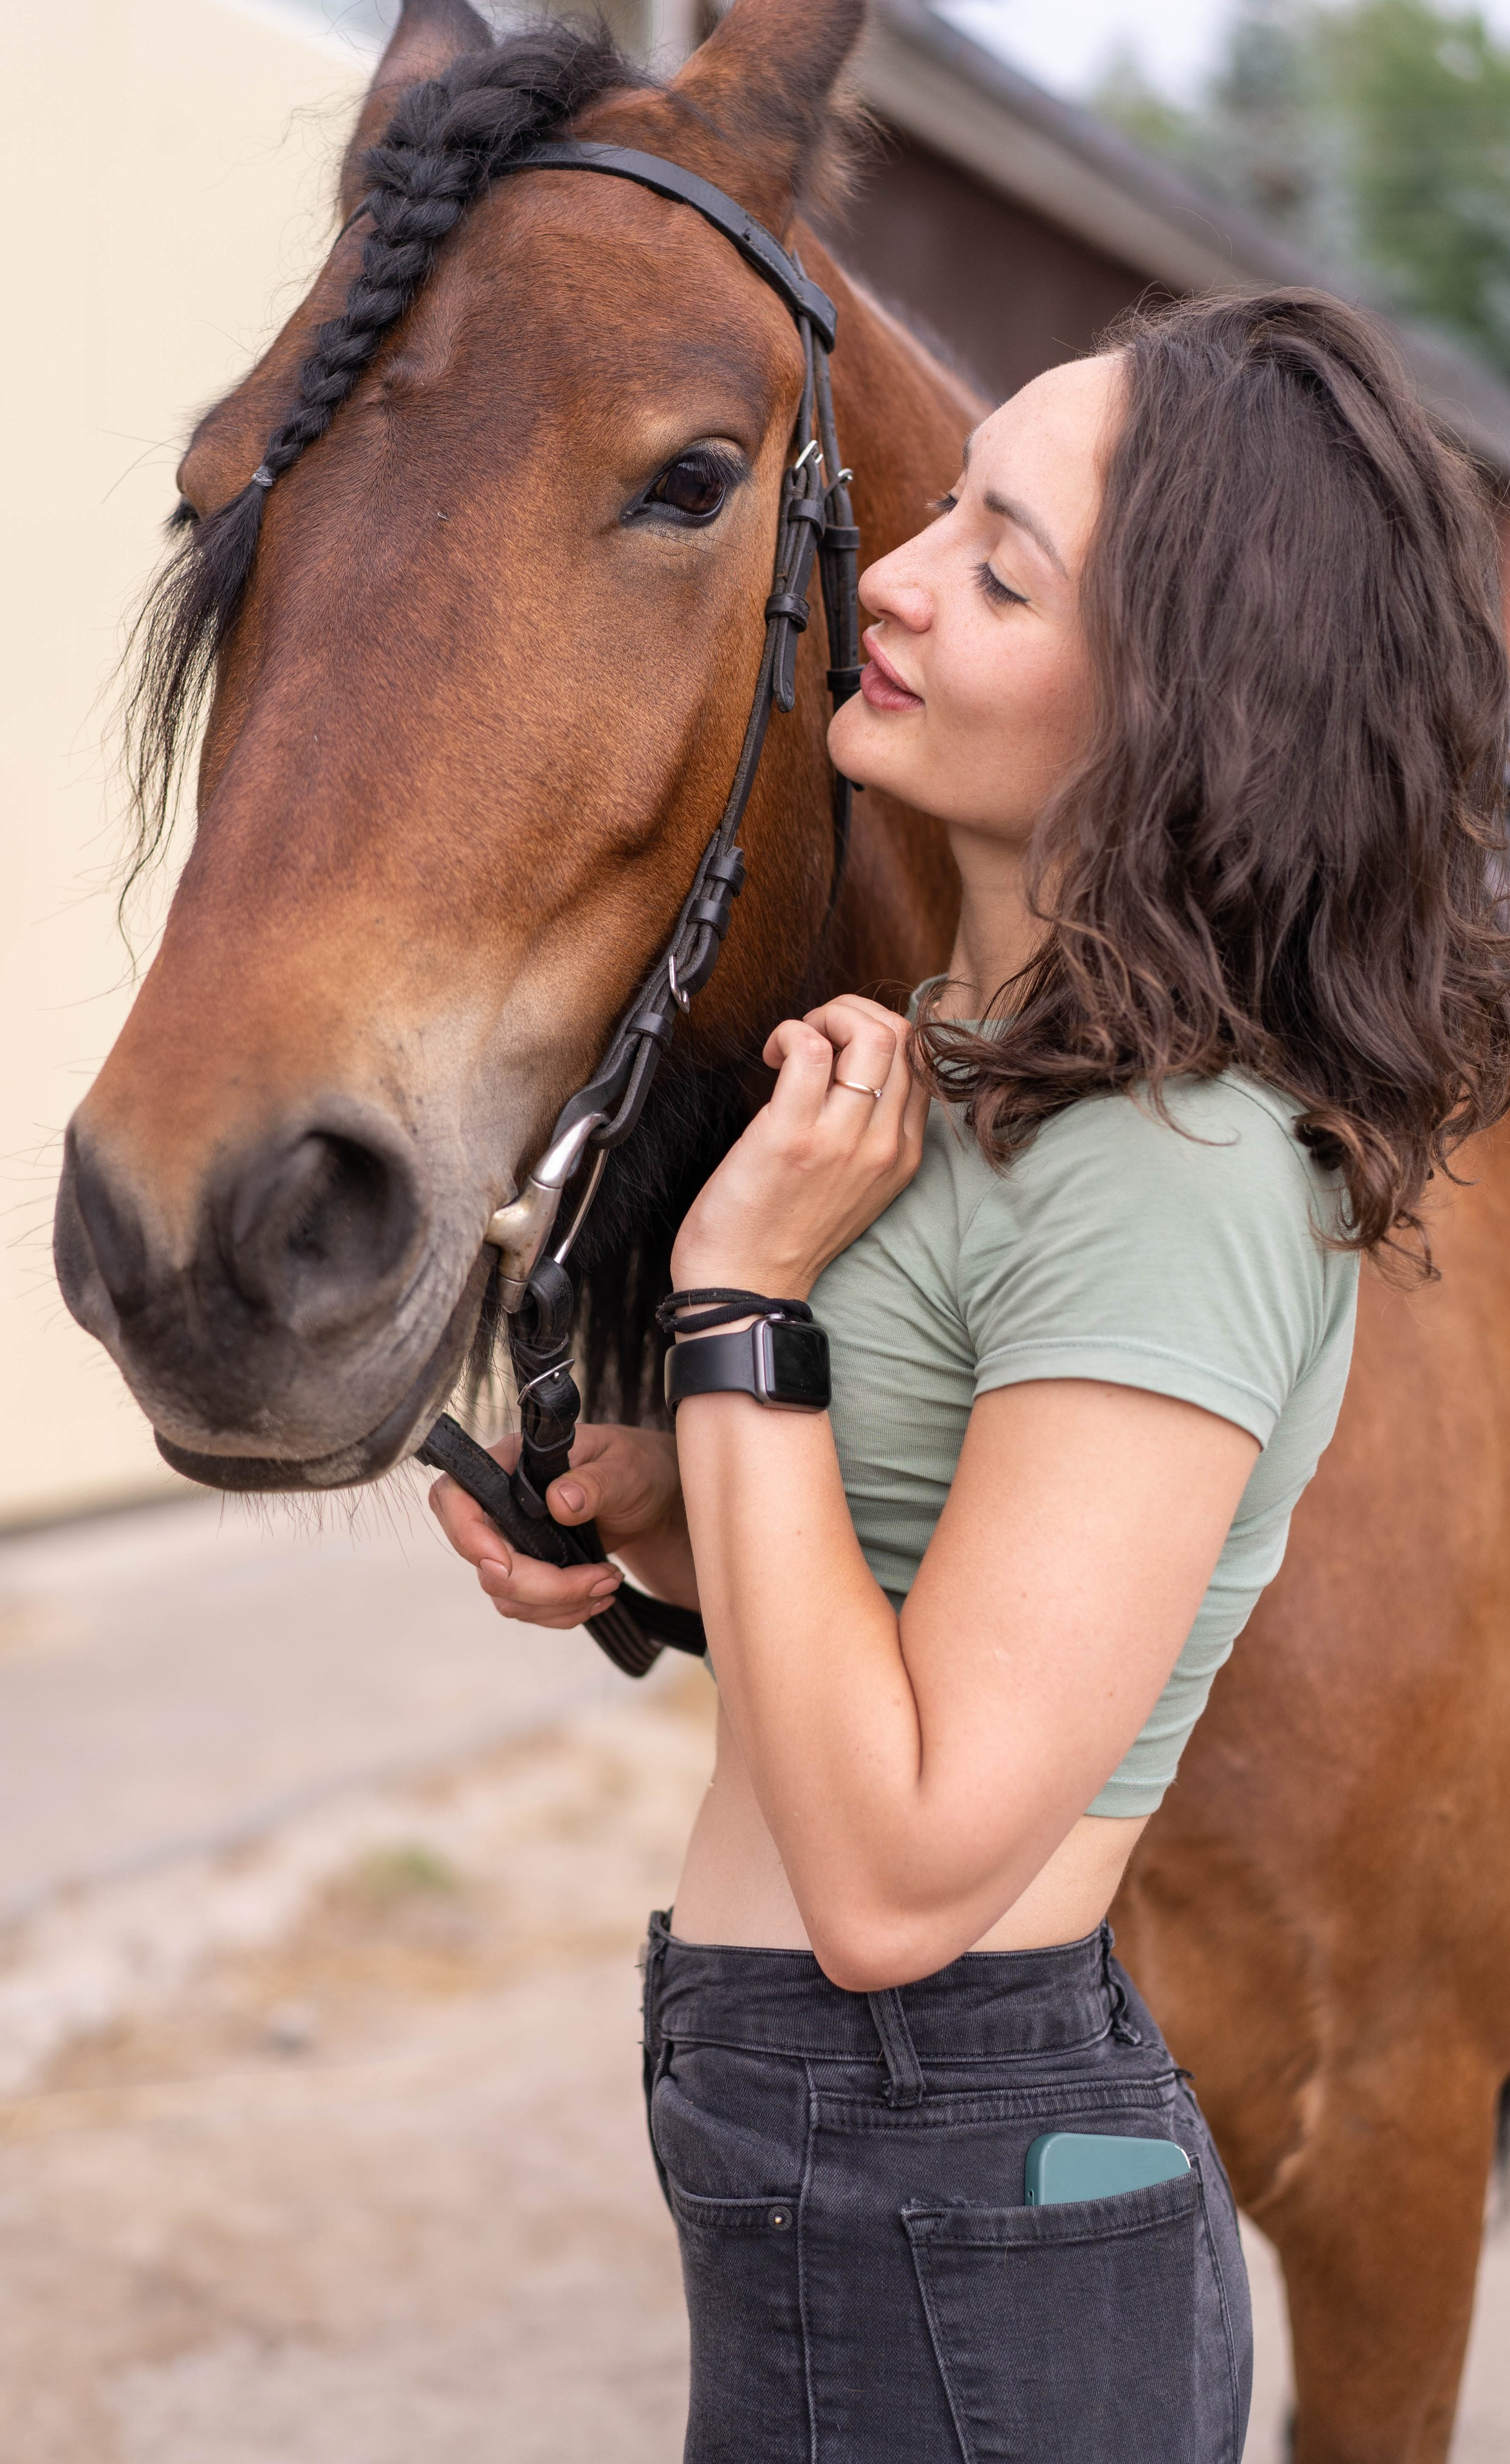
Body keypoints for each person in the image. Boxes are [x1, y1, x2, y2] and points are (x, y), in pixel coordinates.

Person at [432, 290, 1510, 2461]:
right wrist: (673, 1511)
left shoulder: (1182, 1176)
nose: (894, 582)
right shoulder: (965, 1084)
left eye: (1001, 572)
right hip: (845, 2159)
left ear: (1182, 715)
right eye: (942, 519)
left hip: (952, 2188)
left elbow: (904, 1875)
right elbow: (927, 1612)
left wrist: (742, 1304)